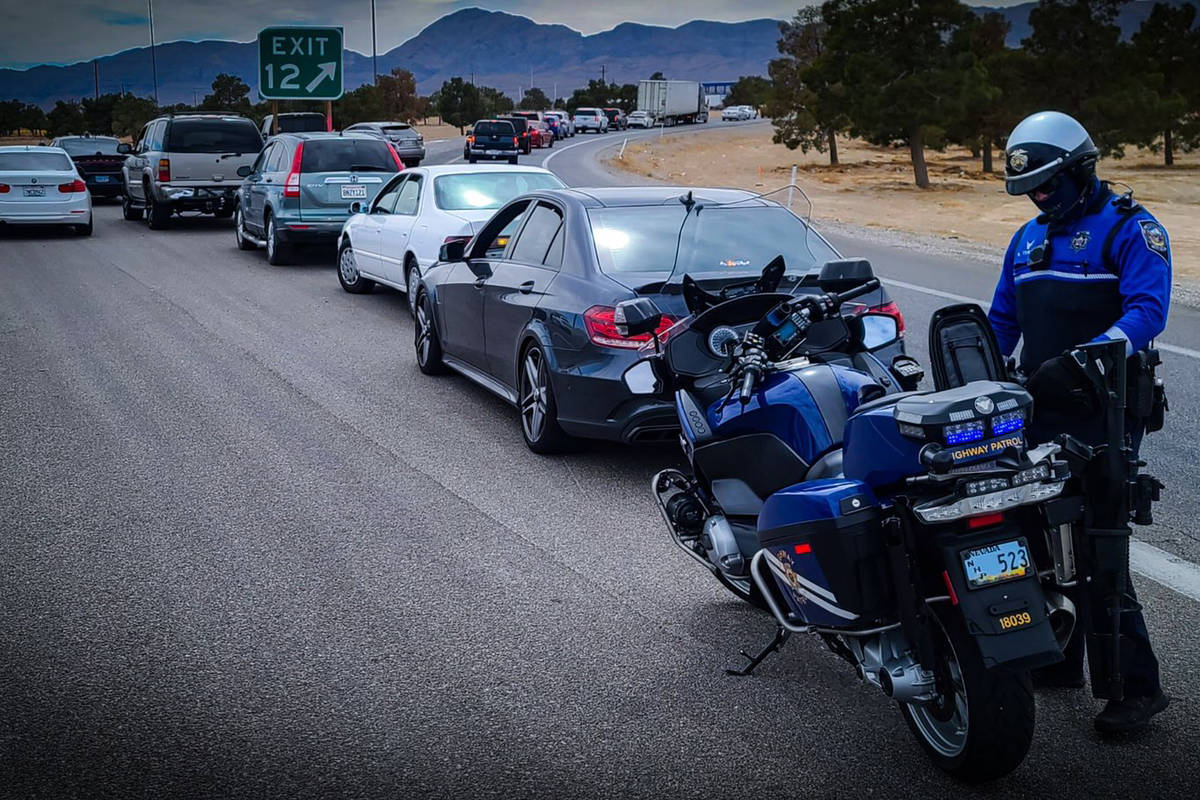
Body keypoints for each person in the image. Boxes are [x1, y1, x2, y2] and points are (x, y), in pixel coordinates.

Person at [987, 110, 1171, 733]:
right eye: (1031, 187)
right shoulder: (1028, 239)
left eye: (1049, 184)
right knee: (1037, 537)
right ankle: (1060, 661)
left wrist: (1086, 360)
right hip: (1037, 407)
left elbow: (1148, 311)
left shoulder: (1131, 229)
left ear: (1082, 169)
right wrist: (974, 367)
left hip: (1106, 410)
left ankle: (1135, 691)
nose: (1040, 195)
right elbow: (1001, 319)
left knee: (1099, 548)